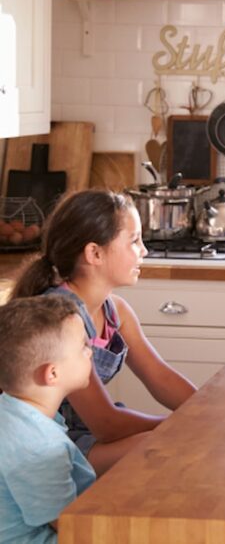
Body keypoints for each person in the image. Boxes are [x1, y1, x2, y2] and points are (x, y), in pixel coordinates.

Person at [10, 190, 197, 476]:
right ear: (94, 253)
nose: (144, 251)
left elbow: (159, 376)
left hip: (86, 436)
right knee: (164, 445)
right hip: (52, 445)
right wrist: (181, 425)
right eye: (134, 241)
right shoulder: (62, 320)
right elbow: (106, 424)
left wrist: (207, 410)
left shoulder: (116, 311)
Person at [0, 294, 96, 543]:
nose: (90, 351)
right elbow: (68, 527)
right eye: (83, 346)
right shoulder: (39, 447)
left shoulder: (13, 412)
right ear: (52, 373)